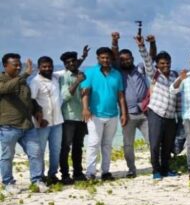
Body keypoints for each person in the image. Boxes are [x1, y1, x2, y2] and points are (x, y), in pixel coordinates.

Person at [81, 47, 128, 181]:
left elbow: (120, 96)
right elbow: (85, 92)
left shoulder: (116, 74)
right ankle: (90, 173)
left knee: (107, 145)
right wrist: (85, 109)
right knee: (93, 143)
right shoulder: (90, 72)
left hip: (112, 115)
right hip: (95, 115)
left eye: (107, 57)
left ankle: (105, 172)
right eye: (102, 57)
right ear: (98, 58)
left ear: (111, 58)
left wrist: (123, 113)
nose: (105, 60)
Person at [1, 54, 46, 193]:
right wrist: (25, 75)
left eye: (19, 65)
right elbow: (5, 89)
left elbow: (29, 99)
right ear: (5, 66)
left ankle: (37, 181)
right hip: (8, 127)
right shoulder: (2, 80)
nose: (18, 67)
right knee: (7, 156)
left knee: (36, 153)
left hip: (27, 125)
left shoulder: (23, 81)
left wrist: (37, 109)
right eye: (15, 65)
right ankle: (8, 183)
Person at [138, 35, 180, 180]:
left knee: (167, 145)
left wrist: (179, 114)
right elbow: (147, 61)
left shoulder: (175, 75)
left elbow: (178, 96)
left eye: (167, 63)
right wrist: (142, 46)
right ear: (157, 64)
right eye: (162, 63)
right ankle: (156, 170)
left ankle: (166, 169)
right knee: (155, 144)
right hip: (156, 112)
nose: (165, 65)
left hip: (170, 115)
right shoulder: (154, 74)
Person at [112, 32, 151, 178]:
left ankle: (156, 166)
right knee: (128, 144)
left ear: (133, 58)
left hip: (145, 113)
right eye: (122, 60)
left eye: (128, 59)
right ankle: (131, 169)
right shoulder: (117, 72)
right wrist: (115, 42)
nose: (126, 61)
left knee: (152, 141)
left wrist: (144, 45)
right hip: (127, 115)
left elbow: (150, 59)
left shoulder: (140, 69)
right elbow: (114, 56)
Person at [30, 56, 64, 184]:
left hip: (57, 122)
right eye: (44, 66)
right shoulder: (35, 81)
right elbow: (31, 100)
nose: (47, 68)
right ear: (39, 68)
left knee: (56, 150)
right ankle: (39, 176)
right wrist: (39, 118)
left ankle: (52, 175)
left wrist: (82, 57)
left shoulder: (55, 77)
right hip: (42, 124)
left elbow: (69, 68)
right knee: (40, 151)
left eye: (49, 66)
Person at [57, 49, 89, 184]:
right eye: (68, 62)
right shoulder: (64, 77)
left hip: (81, 116)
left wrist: (83, 57)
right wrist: (77, 82)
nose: (71, 63)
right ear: (65, 65)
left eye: (73, 61)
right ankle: (65, 175)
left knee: (78, 147)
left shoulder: (82, 74)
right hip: (68, 117)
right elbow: (65, 96)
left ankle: (78, 173)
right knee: (65, 147)